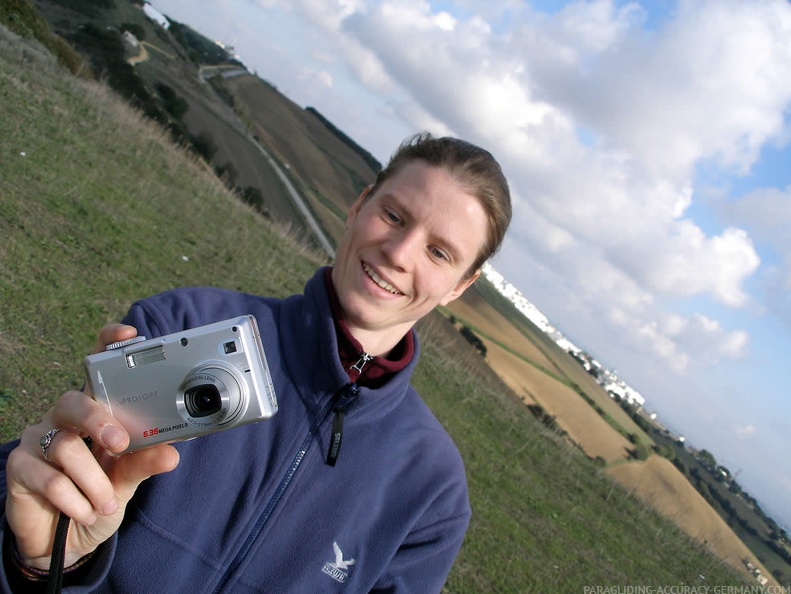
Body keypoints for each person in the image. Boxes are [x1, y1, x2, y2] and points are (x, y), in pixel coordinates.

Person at [0, 132, 512, 593]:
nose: (400, 252)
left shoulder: (432, 492)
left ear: (461, 287)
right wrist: (35, 563)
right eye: (394, 216)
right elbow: (42, 507)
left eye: (440, 253)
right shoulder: (184, 322)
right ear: (359, 205)